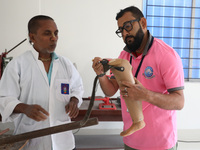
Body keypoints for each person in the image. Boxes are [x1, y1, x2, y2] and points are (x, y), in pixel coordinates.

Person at [92, 6, 184, 150]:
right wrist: (101, 74)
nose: (124, 33)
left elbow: (179, 102)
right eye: (120, 30)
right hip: (131, 142)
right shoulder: (124, 56)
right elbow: (110, 91)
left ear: (143, 23)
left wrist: (145, 95)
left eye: (128, 27)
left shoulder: (167, 55)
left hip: (160, 144)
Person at [0, 15, 84, 150]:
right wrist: (24, 108)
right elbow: (4, 98)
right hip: (30, 141)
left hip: (63, 141)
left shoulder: (65, 64)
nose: (54, 38)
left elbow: (77, 88)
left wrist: (74, 100)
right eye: (47, 33)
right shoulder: (18, 65)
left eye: (56, 33)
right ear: (32, 37)